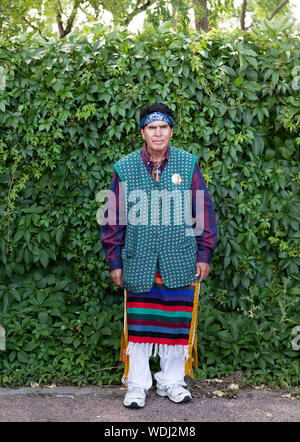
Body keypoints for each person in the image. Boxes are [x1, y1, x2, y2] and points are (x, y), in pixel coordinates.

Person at [101, 103, 218, 408]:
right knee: (139, 326)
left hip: (179, 259)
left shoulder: (187, 164)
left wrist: (204, 252)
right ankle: (137, 385)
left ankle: (172, 382)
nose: (158, 133)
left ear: (171, 131)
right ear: (142, 132)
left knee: (176, 324)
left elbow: (202, 210)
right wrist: (114, 260)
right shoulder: (125, 168)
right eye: (151, 127)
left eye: (163, 127)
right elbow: (114, 216)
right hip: (138, 261)